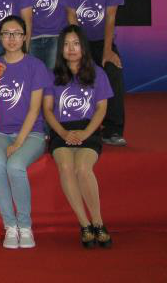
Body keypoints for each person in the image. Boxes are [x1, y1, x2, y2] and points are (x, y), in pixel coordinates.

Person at [43, 24, 113, 249]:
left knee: (82, 168)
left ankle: (98, 222)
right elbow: (47, 110)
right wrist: (63, 133)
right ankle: (84, 225)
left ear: (83, 47)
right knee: (66, 167)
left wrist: (86, 133)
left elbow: (101, 109)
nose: (71, 49)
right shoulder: (52, 76)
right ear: (60, 49)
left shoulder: (98, 73)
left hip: (88, 128)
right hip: (61, 130)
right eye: (66, 44)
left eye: (76, 44)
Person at [0, 16, 50, 250]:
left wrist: (18, 142)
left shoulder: (36, 66)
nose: (11, 38)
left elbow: (35, 109)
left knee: (15, 166)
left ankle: (25, 225)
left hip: (31, 134)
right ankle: (10, 225)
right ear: (0, 37)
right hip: (0, 133)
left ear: (24, 37)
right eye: (6, 33)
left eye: (16, 33)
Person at [64, 0, 126, 146]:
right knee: (78, 75)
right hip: (78, 40)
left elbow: (110, 18)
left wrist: (108, 51)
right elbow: (71, 17)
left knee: (113, 72)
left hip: (103, 40)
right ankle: (78, 127)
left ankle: (113, 130)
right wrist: (80, 51)